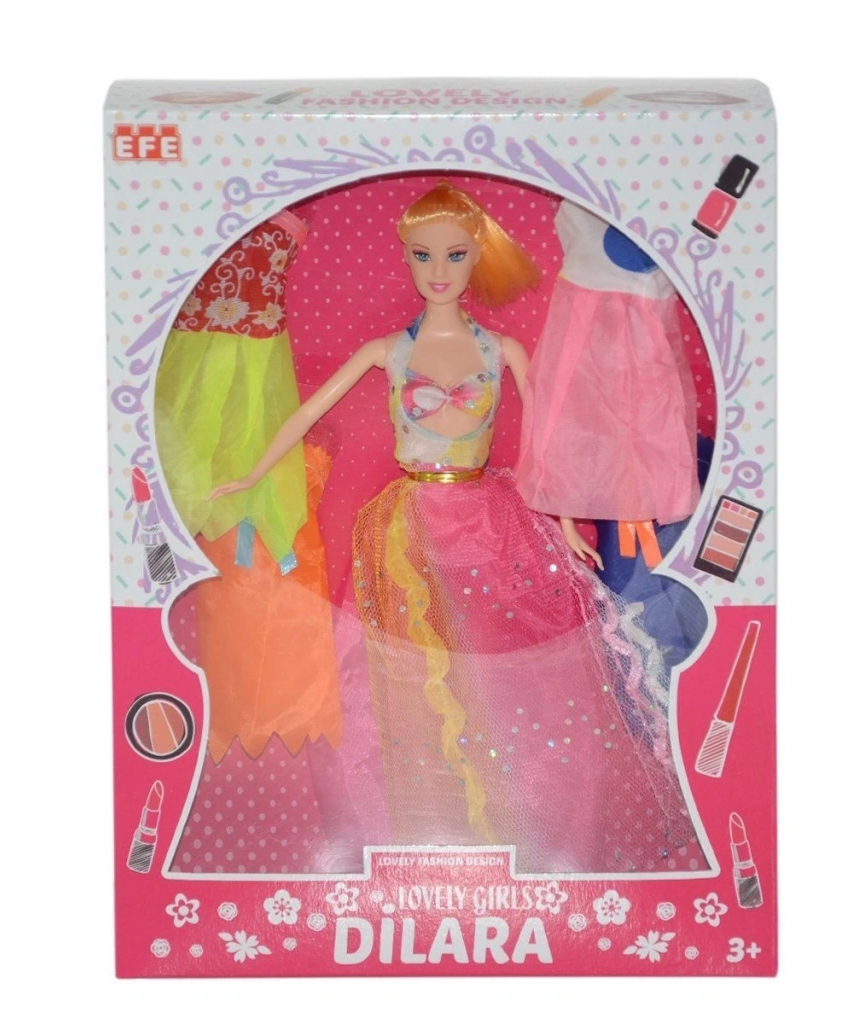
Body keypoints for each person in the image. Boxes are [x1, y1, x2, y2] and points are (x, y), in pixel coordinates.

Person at [210, 181, 707, 873]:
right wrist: (250, 476)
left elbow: (552, 440)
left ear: (479, 255)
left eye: (454, 254)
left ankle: (534, 836)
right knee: (401, 681)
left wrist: (566, 519)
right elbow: (304, 414)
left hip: (492, 522)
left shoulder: (503, 350)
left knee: (514, 682)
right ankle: (420, 838)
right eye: (421, 254)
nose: (437, 270)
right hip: (408, 526)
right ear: (405, 257)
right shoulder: (388, 350)